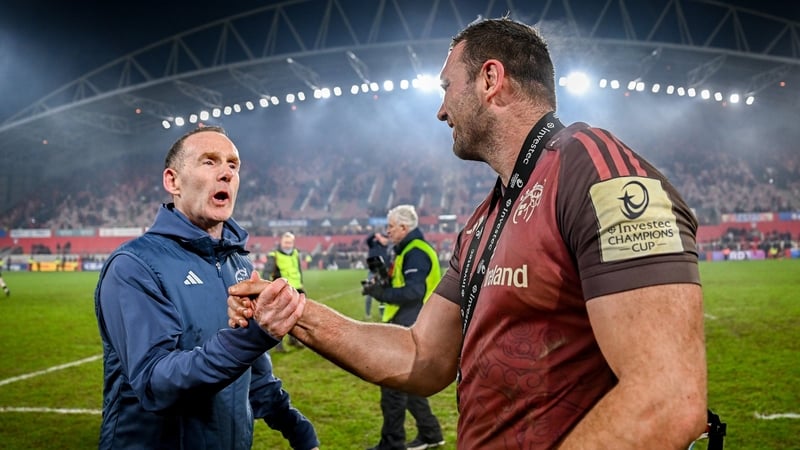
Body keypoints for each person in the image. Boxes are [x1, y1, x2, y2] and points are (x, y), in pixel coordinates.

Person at [228, 17, 707, 449]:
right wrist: (294, 310)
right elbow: (422, 356)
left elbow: (665, 398)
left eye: (447, 87)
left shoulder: (596, 170)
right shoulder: (486, 218)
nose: (440, 110)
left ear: (490, 80)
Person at [94, 126, 319, 450]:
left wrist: (297, 428)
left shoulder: (238, 264)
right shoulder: (135, 265)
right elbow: (156, 383)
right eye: (209, 162)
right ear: (173, 181)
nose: (226, 172)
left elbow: (253, 374)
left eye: (233, 164)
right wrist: (255, 336)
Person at [359, 205, 445, 450]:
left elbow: (414, 291)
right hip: (413, 321)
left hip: (411, 321)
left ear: (404, 228)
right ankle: (431, 434)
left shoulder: (415, 252)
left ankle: (392, 443)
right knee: (410, 384)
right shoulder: (407, 248)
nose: (388, 231)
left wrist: (381, 293)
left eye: (391, 227)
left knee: (393, 386)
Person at [263, 231, 306, 351]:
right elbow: (267, 273)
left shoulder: (295, 253)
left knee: (297, 317)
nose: (288, 244)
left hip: (297, 288)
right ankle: (278, 345)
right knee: (280, 318)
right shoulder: (274, 255)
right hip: (283, 290)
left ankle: (294, 340)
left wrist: (301, 283)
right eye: (286, 242)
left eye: (290, 242)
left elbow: (298, 270)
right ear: (281, 242)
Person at [363, 230, 390, 320]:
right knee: (369, 293)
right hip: (373, 271)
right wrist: (375, 234)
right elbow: (368, 240)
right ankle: (367, 313)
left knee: (383, 294)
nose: (385, 240)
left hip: (383, 272)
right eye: (383, 237)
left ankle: (382, 314)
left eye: (386, 238)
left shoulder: (389, 248)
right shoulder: (373, 244)